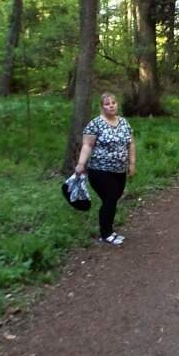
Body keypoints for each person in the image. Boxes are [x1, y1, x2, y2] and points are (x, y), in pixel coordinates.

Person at [74, 92, 136, 245]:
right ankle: (105, 233)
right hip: (100, 170)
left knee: (113, 199)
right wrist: (81, 164)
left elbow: (131, 144)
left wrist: (132, 163)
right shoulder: (95, 124)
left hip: (120, 170)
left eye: (113, 103)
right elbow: (87, 145)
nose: (111, 106)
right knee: (110, 198)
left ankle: (110, 230)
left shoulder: (124, 123)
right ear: (102, 107)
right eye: (107, 104)